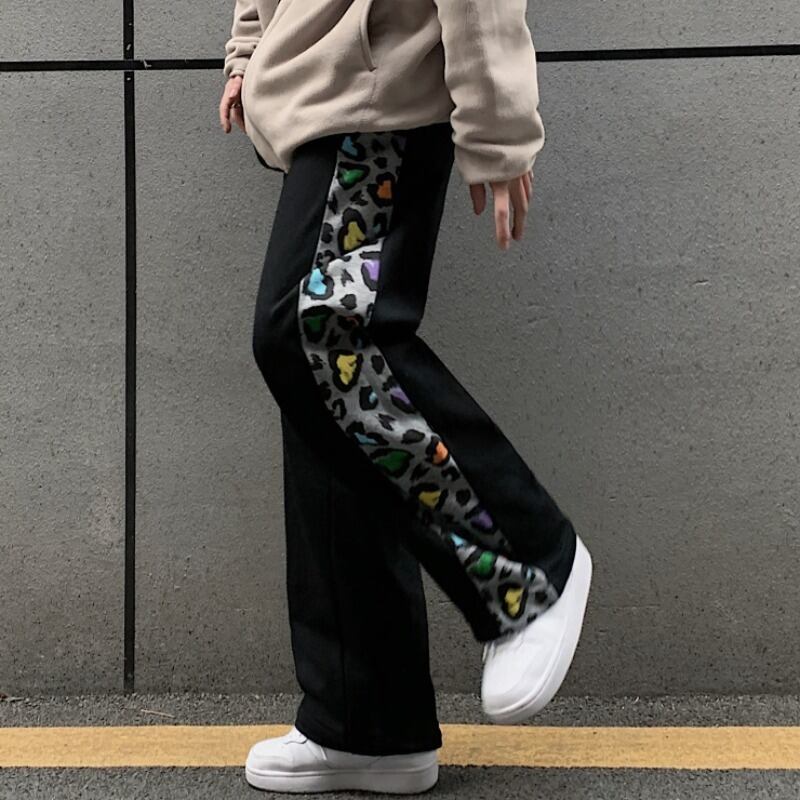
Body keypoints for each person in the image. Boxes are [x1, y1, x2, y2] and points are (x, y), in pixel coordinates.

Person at [218, 0, 593, 793]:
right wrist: (251, 42)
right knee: (324, 399)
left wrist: (498, 127)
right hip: (319, 86)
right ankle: (366, 722)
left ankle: (529, 567)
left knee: (318, 335)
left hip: (379, 82)